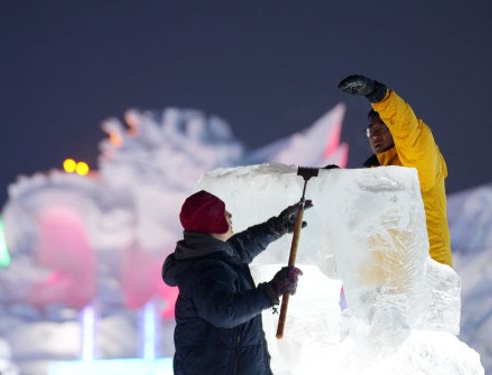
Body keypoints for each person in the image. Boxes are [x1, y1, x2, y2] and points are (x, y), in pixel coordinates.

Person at [162, 190, 310, 374]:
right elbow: (224, 312)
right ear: (211, 223)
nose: (229, 215)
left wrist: (275, 227)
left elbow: (240, 248)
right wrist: (271, 291)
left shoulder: (210, 256)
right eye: (222, 212)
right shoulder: (204, 271)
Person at [338, 74, 453, 266]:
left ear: (393, 130)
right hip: (389, 282)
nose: (374, 135)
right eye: (370, 130)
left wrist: (380, 97)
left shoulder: (418, 164)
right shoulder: (375, 176)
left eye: (381, 127)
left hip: (427, 274)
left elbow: (410, 133)